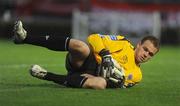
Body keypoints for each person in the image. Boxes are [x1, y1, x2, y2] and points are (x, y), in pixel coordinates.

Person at [13, 20, 160, 90]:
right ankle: (25, 38)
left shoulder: (137, 75)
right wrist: (106, 54)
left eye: (150, 54)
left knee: (100, 84)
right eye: (145, 49)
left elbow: (119, 85)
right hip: (85, 62)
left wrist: (116, 81)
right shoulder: (123, 43)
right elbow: (94, 37)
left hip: (92, 77)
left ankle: (46, 75)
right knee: (82, 46)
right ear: (139, 44)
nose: (146, 54)